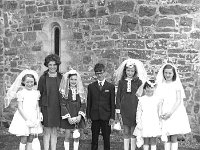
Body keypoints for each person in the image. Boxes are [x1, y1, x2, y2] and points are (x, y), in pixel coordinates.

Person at [4, 69, 42, 150]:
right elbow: (20, 108)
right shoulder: (21, 93)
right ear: (23, 82)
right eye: (27, 82)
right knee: (24, 138)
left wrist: (39, 116)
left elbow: (37, 106)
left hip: (33, 116)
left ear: (34, 82)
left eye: (31, 82)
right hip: (23, 117)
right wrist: (27, 120)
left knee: (31, 138)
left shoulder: (36, 93)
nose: (29, 84)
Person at [156, 63, 191, 150]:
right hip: (164, 110)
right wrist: (160, 113)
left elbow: (179, 100)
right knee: (166, 136)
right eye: (166, 73)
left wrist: (170, 113)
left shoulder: (176, 84)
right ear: (163, 73)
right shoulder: (161, 84)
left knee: (173, 136)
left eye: (170, 73)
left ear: (173, 74)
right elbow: (159, 100)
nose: (167, 75)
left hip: (174, 111)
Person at [115, 58, 147, 150]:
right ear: (125, 71)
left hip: (134, 109)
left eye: (132, 71)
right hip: (124, 109)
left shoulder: (138, 82)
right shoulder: (121, 82)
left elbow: (141, 96)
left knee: (133, 131)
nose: (130, 73)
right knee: (126, 131)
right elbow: (118, 97)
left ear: (135, 71)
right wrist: (118, 109)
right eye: (128, 71)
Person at [86, 63, 115, 150]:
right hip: (94, 116)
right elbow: (89, 101)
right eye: (97, 73)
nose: (99, 75)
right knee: (94, 139)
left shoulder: (110, 86)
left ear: (104, 72)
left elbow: (112, 103)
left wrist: (112, 117)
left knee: (106, 139)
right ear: (95, 74)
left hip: (106, 116)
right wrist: (88, 116)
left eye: (101, 73)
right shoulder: (91, 86)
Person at [38, 54, 62, 150]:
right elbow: (39, 95)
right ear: (47, 65)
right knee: (47, 131)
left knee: (55, 131)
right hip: (46, 107)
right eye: (50, 64)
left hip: (57, 107)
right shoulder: (43, 78)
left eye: (54, 64)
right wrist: (39, 110)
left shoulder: (61, 77)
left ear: (57, 65)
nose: (52, 67)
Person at [59, 69, 86, 150]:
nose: (73, 81)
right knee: (67, 135)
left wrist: (79, 116)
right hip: (68, 115)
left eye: (75, 79)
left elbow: (83, 104)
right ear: (68, 80)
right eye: (71, 79)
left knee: (76, 136)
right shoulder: (65, 91)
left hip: (77, 114)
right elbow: (62, 105)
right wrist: (68, 117)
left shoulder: (80, 91)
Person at [133, 79, 161, 150]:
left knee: (153, 140)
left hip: (154, 121)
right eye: (148, 87)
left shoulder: (157, 99)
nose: (149, 89)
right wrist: (138, 122)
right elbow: (139, 111)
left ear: (154, 88)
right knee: (146, 140)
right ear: (145, 88)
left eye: (151, 87)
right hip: (144, 121)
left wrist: (160, 122)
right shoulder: (142, 99)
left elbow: (159, 111)